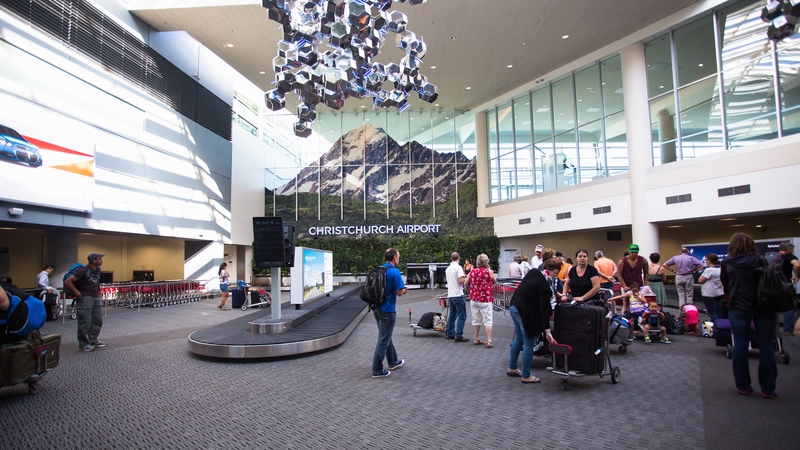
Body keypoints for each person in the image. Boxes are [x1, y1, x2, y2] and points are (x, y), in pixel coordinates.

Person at [720, 232, 778, 398]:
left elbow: (725, 284)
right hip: (764, 306)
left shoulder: (727, 262)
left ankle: (743, 385)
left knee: (740, 344)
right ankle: (768, 388)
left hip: (738, 305)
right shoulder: (761, 260)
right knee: (766, 345)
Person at [507, 259, 560, 383]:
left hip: (514, 306)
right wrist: (548, 331)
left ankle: (512, 367)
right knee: (529, 342)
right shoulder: (545, 286)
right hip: (524, 311)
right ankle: (526, 375)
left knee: (519, 338)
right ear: (556, 271)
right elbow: (543, 310)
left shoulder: (534, 272)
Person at [372, 248, 408, 378]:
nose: (399, 258)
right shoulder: (394, 272)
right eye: (398, 256)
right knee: (383, 340)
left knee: (385, 336)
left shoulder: (378, 270)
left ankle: (393, 361)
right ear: (394, 258)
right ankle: (376, 370)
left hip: (376, 307)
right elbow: (400, 292)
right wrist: (404, 290)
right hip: (387, 310)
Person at [64, 252, 107, 352]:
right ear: (93, 260)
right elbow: (67, 282)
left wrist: (98, 290)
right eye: (99, 259)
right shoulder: (83, 270)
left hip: (95, 297)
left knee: (97, 320)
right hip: (85, 297)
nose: (101, 260)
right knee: (85, 321)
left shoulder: (98, 270)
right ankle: (83, 344)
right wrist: (77, 292)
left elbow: (96, 281)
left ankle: (93, 340)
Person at [467, 253, 496, 348]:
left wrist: (469, 292)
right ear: (486, 262)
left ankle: (476, 338)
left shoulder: (472, 272)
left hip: (474, 298)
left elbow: (466, 282)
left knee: (476, 319)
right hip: (486, 299)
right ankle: (489, 341)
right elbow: (494, 281)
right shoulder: (489, 271)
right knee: (488, 320)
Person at [445, 252, 469, 342]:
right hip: (458, 294)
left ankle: (450, 333)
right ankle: (458, 335)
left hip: (451, 294)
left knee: (452, 315)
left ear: (451, 259)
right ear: (459, 258)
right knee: (462, 316)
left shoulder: (448, 269)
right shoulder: (458, 268)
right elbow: (461, 280)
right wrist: (467, 277)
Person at [777, 241, 800, 335]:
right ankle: (788, 330)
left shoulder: (774, 257)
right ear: (789, 249)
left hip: (772, 285)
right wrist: (797, 276)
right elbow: (797, 265)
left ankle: (775, 331)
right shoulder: (790, 257)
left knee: (773, 307)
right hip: (786, 285)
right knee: (790, 306)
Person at [698, 253, 724, 323]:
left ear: (709, 260)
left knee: (713, 312)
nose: (705, 261)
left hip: (709, 294)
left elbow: (700, 280)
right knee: (719, 311)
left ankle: (716, 326)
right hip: (719, 293)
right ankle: (722, 326)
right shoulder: (721, 269)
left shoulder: (709, 270)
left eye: (706, 260)